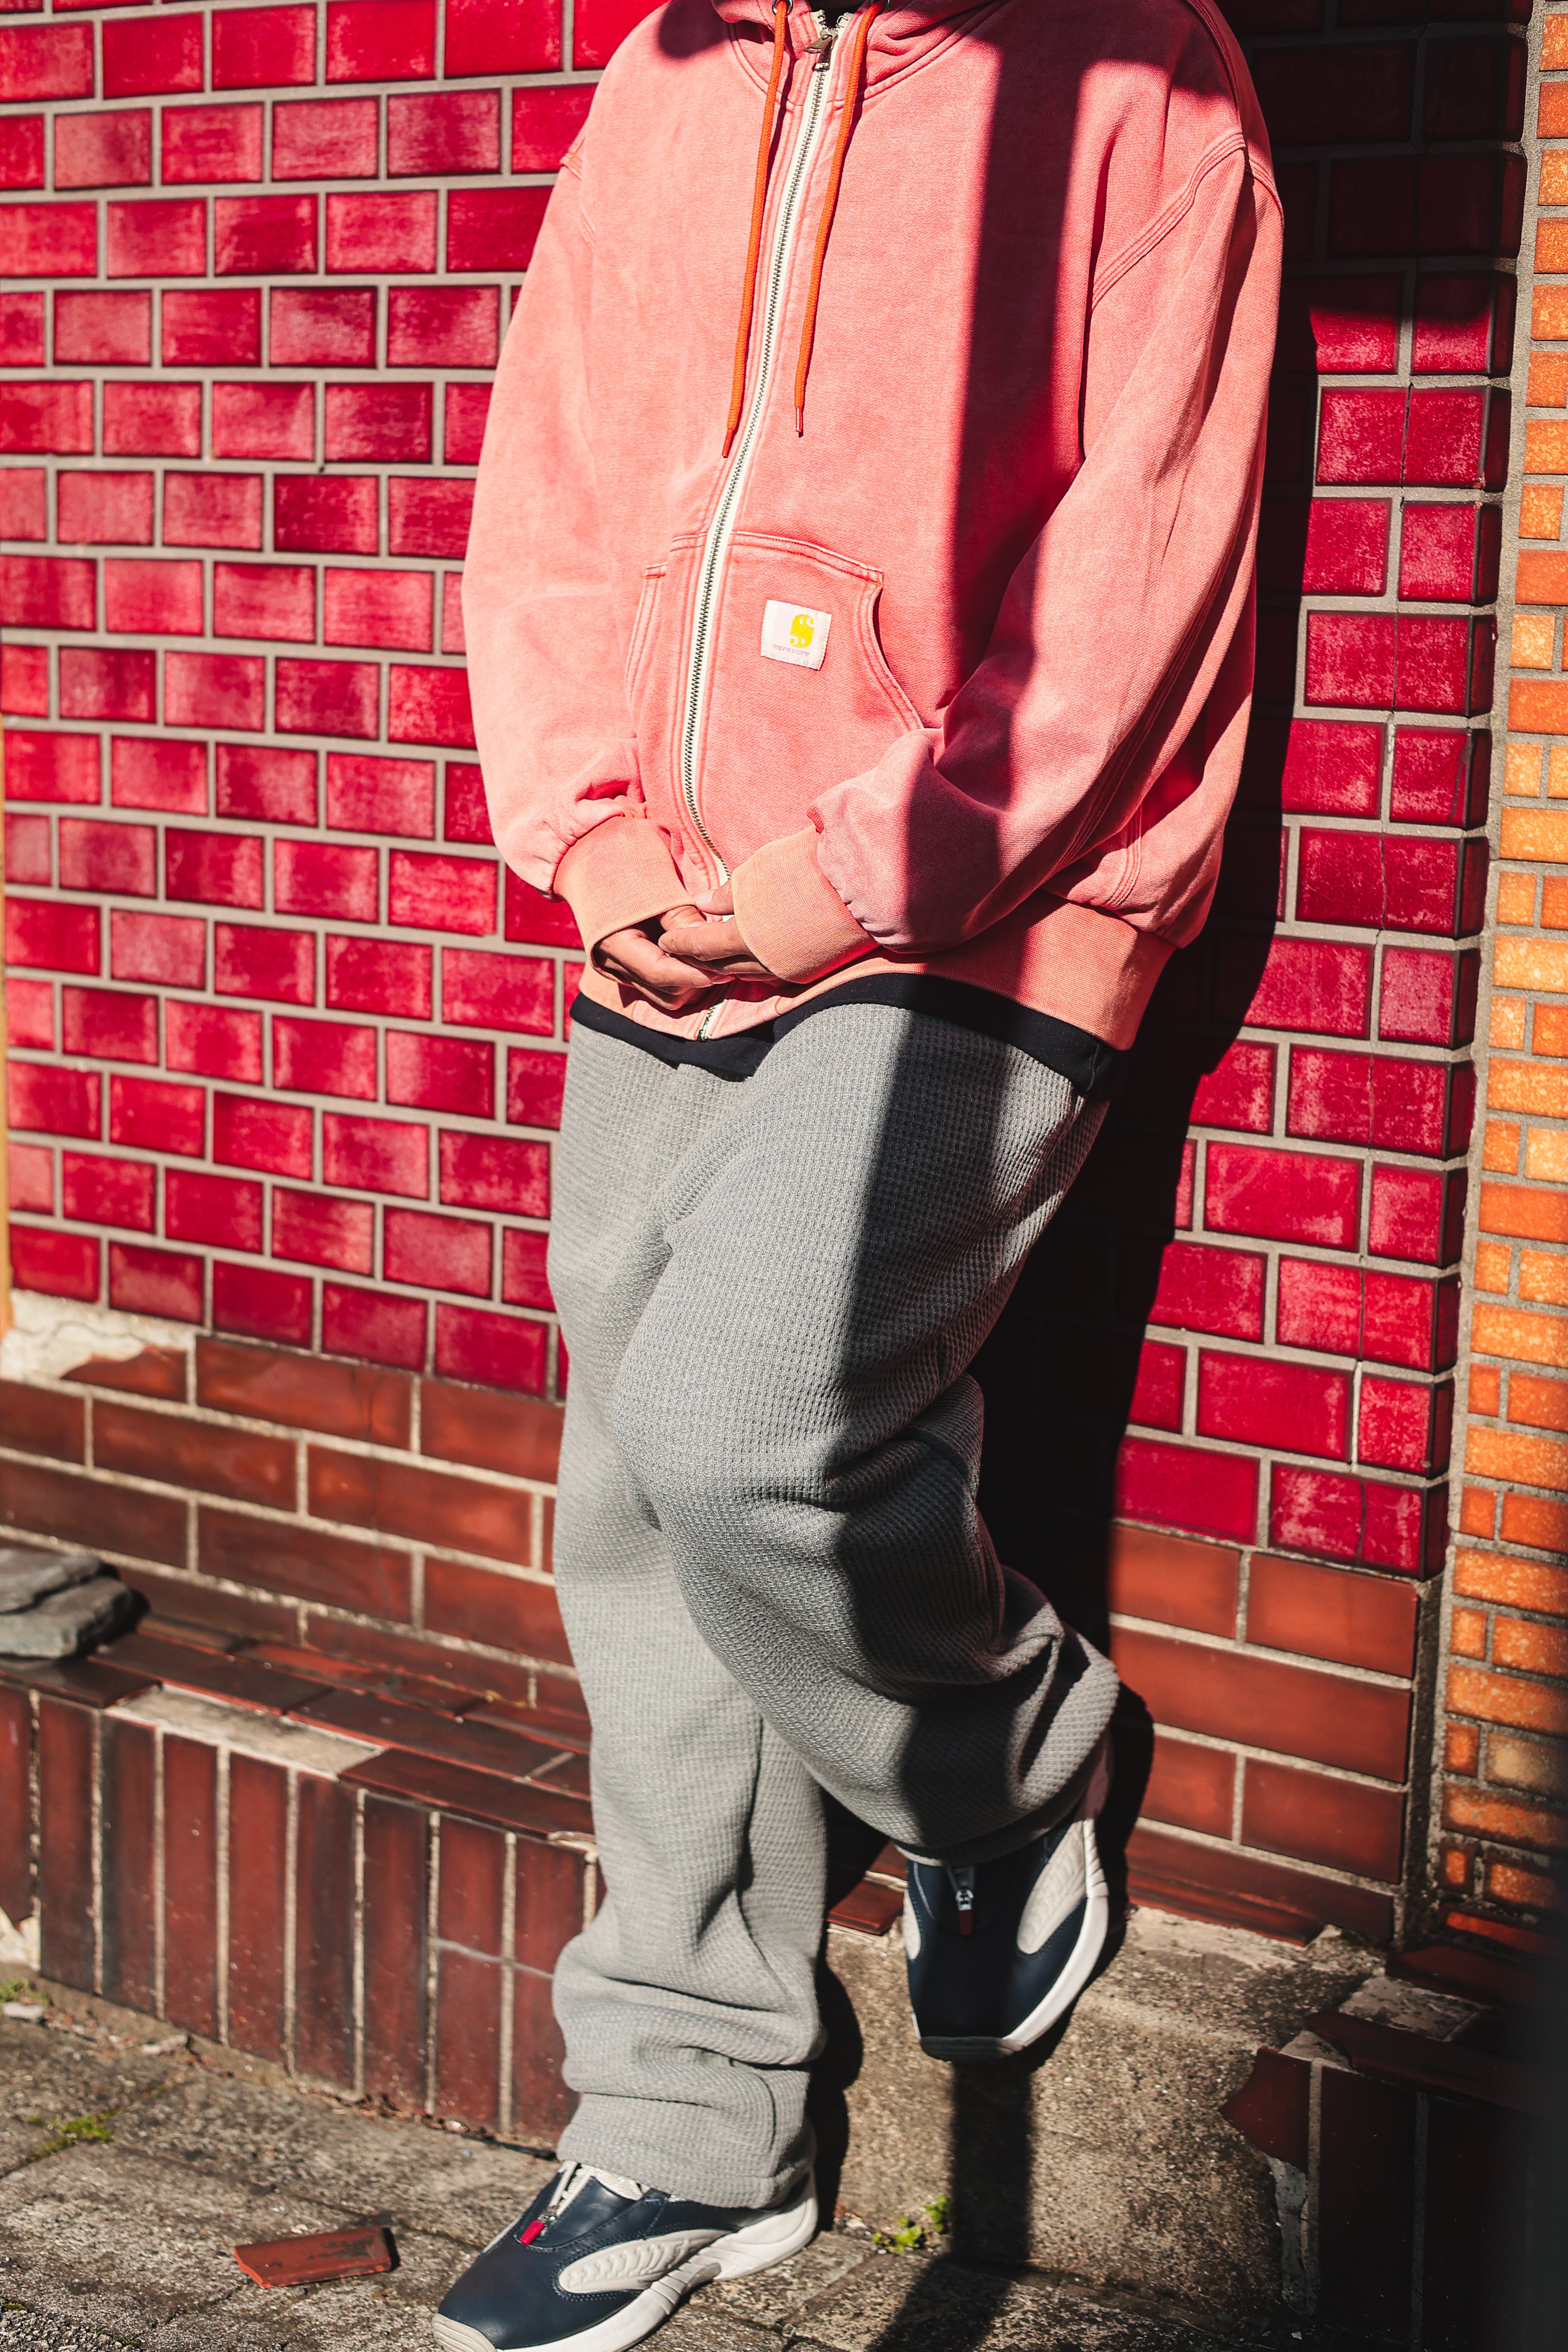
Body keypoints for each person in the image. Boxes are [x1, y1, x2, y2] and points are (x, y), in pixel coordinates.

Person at [438, 1, 1279, 2344]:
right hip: (667, 901)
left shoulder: (1140, 77)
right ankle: (684, 2130)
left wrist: (834, 880)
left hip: (991, 912)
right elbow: (550, 484)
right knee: (637, 1512)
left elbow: (1134, 575)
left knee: (745, 1426)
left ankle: (1006, 1778)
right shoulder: (668, 72)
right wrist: (594, 837)